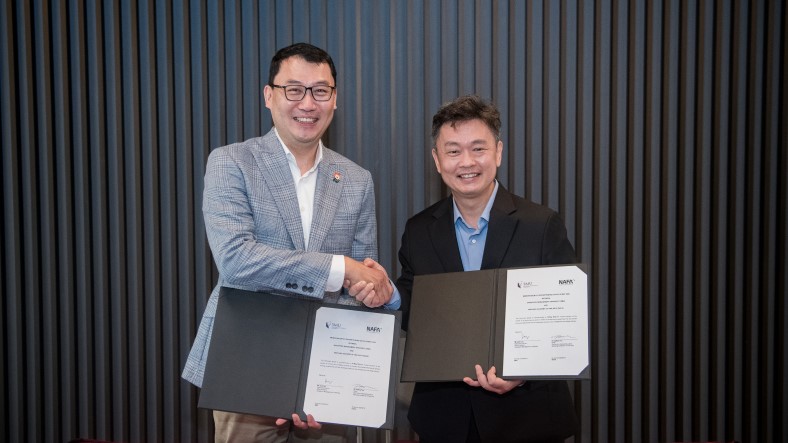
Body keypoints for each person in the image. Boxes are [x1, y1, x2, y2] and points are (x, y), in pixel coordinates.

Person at [182, 42, 399, 443]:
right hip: (244, 362)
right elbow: (236, 260)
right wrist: (339, 268)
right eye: (294, 89)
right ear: (269, 96)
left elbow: (361, 278)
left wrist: (372, 288)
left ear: (334, 100)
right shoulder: (231, 162)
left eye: (321, 90)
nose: (308, 103)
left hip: (326, 372)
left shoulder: (356, 179)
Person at [350, 95, 579, 442]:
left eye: (478, 149)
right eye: (453, 151)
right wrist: (391, 295)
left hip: (527, 417)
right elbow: (417, 307)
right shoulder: (419, 229)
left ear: (498, 153)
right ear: (437, 160)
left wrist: (524, 372)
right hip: (445, 418)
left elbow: (566, 317)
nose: (466, 162)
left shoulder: (541, 225)